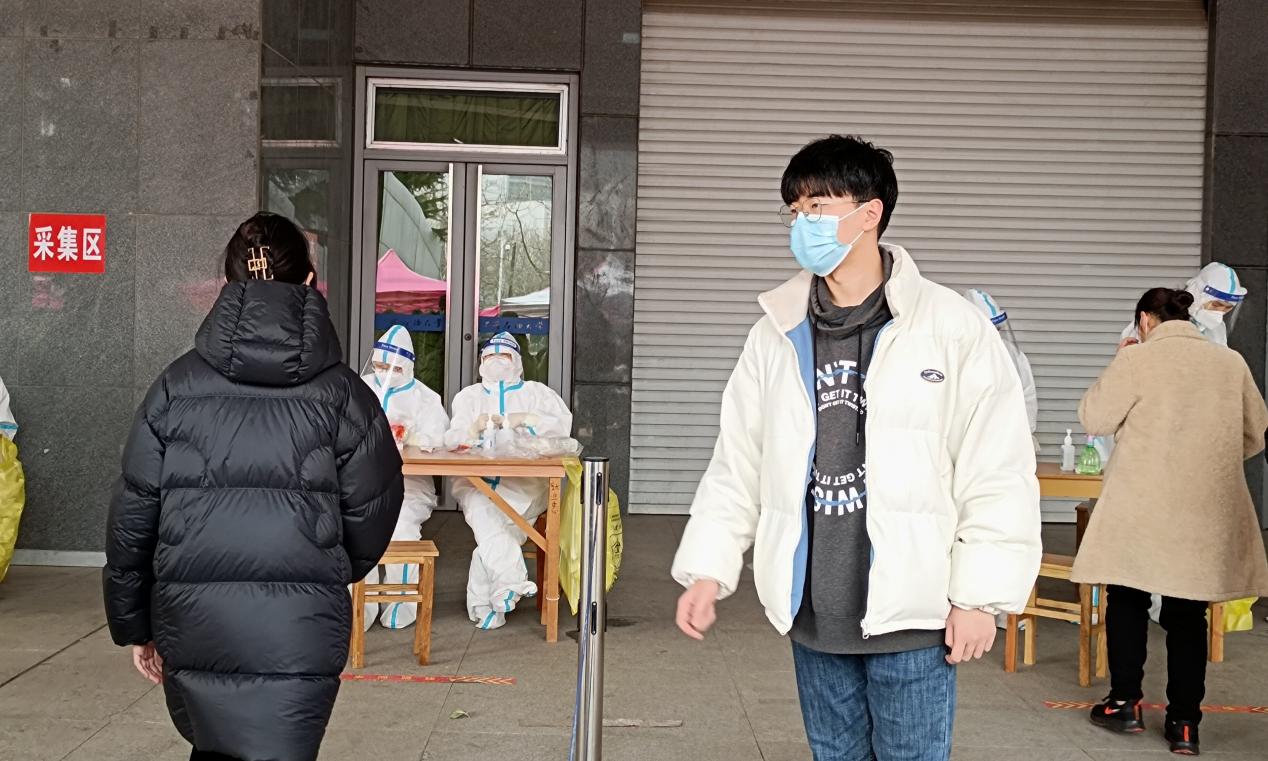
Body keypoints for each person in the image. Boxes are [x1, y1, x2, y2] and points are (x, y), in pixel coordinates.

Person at [671, 135, 1043, 761]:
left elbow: (997, 469)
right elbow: (739, 461)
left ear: (870, 213)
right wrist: (709, 568)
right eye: (795, 210)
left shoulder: (951, 327)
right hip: (815, 614)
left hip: (914, 617)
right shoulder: (776, 332)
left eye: (818, 206)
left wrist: (980, 597)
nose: (802, 224)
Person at [103, 212, 405, 761]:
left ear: (227, 282)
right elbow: (375, 508)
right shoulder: (345, 395)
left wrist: (134, 624)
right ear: (310, 281)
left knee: (212, 746)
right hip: (300, 623)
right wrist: (324, 565)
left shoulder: (175, 388)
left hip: (195, 617)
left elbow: (134, 515)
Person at [1073, 287, 1268, 756]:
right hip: (1204, 507)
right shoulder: (1231, 363)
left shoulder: (1136, 359)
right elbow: (1255, 433)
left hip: (1140, 502)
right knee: (1188, 614)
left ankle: (1124, 703)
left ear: (1145, 320)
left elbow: (1094, 419)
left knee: (1127, 597)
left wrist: (1118, 361)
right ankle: (1184, 724)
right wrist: (1209, 458)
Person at [445, 331, 573, 630]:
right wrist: (472, 430)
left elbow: (561, 431)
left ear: (517, 361)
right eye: (490, 355)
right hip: (476, 482)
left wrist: (526, 419)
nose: (496, 361)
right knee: (487, 513)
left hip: (527, 485)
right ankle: (511, 581)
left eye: (503, 355)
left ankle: (487, 604)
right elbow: (451, 439)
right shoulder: (469, 397)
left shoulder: (538, 393)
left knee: (493, 532)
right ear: (480, 361)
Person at [358, 324, 449, 631]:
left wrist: (411, 436)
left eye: (394, 368)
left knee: (401, 530)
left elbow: (438, 440)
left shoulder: (425, 398)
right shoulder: (360, 388)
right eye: (381, 366)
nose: (385, 373)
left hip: (409, 486)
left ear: (408, 366)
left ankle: (401, 602)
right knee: (357, 530)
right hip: (362, 484)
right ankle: (361, 606)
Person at [963, 288, 1039, 450]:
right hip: (969, 446)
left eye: (997, 329)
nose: (995, 335)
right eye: (990, 330)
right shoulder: (957, 356)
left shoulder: (1012, 354)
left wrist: (1024, 438)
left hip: (1007, 444)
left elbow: (1028, 398)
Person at [1120, 261, 1245, 347]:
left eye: (1227, 308)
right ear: (1197, 293)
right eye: (1216, 305)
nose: (1219, 312)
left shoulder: (1217, 329)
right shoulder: (1159, 317)